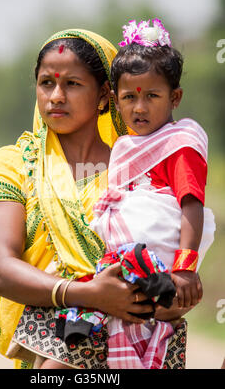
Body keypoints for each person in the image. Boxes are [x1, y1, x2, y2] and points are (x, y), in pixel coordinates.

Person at [0, 28, 196, 370]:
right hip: (56, 351)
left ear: (104, 94)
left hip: (139, 345)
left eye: (72, 84)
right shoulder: (14, 164)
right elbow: (1, 271)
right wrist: (89, 294)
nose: (56, 96)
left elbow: (167, 260)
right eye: (46, 83)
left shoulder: (140, 167)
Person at [87, 19, 215, 368]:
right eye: (129, 97)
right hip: (127, 265)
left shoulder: (179, 144)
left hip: (162, 267)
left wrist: (185, 267)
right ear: (115, 99)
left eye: (152, 96)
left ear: (175, 97)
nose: (139, 108)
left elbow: (190, 204)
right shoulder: (126, 146)